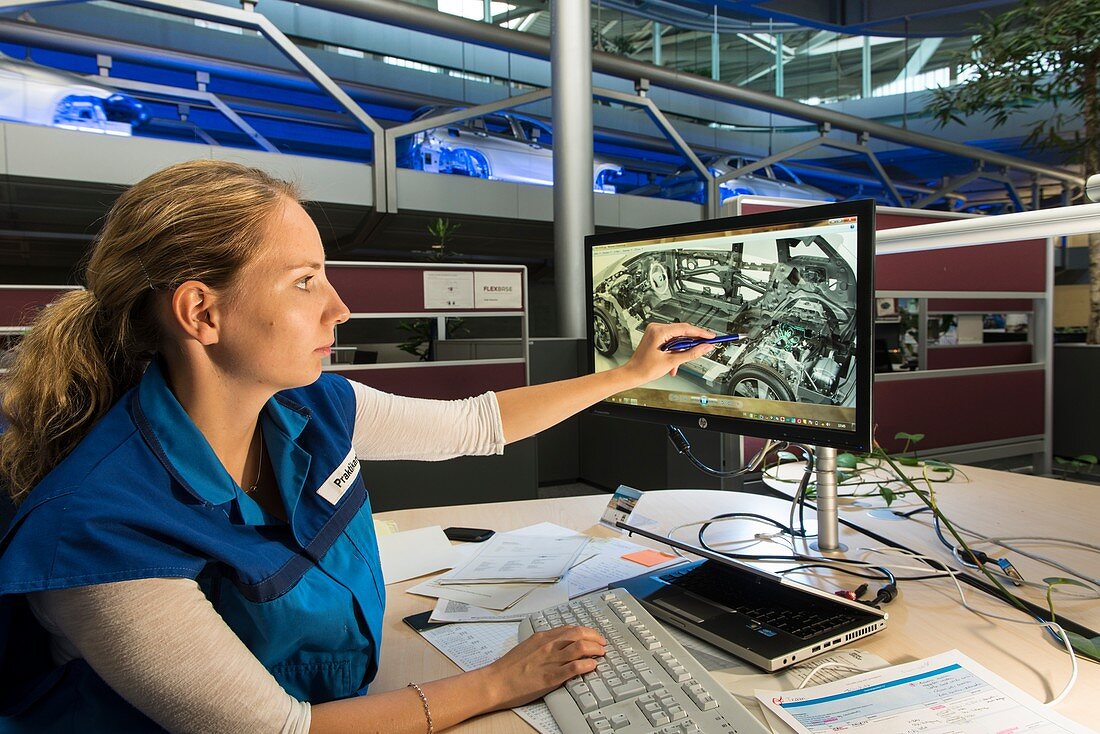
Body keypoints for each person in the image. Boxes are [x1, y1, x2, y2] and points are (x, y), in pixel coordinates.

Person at [0, 159, 715, 733]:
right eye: (305, 281)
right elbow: (278, 730)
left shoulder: (308, 406)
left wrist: (630, 374)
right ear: (200, 311)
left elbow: (477, 424)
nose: (339, 308)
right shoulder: (98, 530)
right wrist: (497, 683)